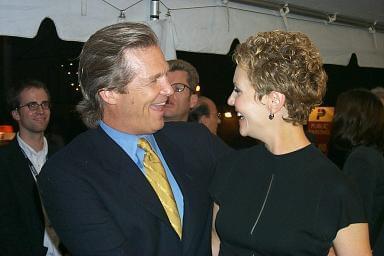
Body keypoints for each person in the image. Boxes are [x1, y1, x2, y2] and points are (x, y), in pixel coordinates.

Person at [37, 22, 230, 256]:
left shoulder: (196, 139)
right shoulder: (66, 175)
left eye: (166, 77)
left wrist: (218, 235)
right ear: (110, 93)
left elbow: (254, 184)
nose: (168, 90)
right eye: (154, 80)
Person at [210, 31, 371, 256]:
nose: (230, 100)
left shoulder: (336, 190)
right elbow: (216, 244)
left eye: (238, 90)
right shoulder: (231, 167)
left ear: (274, 101)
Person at [0, 80, 62, 255]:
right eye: (32, 105)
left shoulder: (64, 156)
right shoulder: (4, 162)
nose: (41, 110)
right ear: (16, 114)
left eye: (44, 104)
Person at [328, 89, 384, 251]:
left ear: (351, 118)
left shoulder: (362, 158)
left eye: (339, 112)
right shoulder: (370, 154)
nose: (334, 117)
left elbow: (356, 217)